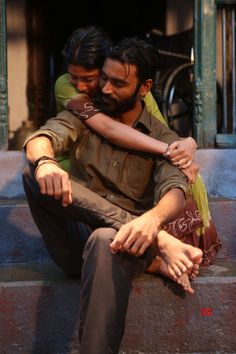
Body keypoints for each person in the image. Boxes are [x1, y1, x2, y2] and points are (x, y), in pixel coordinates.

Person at [23, 37, 211, 354]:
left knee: (104, 239)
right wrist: (45, 162)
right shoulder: (86, 110)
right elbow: (41, 139)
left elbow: (176, 192)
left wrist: (152, 221)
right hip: (74, 240)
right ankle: (159, 244)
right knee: (35, 176)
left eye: (118, 83)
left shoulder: (163, 139)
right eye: (105, 78)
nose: (106, 88)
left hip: (127, 248)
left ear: (144, 87)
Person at [54, 25, 221, 268]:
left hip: (119, 163)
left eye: (89, 78)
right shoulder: (64, 85)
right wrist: (168, 150)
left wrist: (187, 144)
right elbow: (109, 129)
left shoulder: (133, 88)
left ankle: (162, 248)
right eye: (74, 77)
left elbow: (161, 131)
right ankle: (156, 253)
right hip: (76, 160)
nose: (80, 85)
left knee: (173, 176)